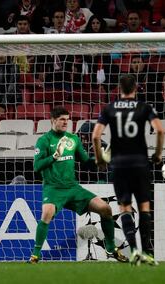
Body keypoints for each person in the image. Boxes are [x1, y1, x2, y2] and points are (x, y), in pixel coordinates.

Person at [28, 106, 127, 263]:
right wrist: (54, 156)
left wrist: (101, 159)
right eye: (62, 119)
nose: (66, 122)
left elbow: (86, 163)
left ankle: (110, 248)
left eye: (68, 120)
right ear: (53, 120)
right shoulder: (44, 140)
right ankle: (35, 255)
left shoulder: (73, 139)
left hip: (73, 188)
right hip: (53, 189)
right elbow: (36, 167)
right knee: (46, 214)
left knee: (105, 209)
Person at [92, 74, 164, 266]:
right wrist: (157, 155)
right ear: (136, 88)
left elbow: (96, 136)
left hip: (119, 164)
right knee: (144, 207)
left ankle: (133, 251)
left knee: (124, 207)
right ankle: (147, 253)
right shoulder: (144, 107)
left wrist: (100, 159)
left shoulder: (110, 108)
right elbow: (159, 130)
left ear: (119, 89)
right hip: (140, 163)